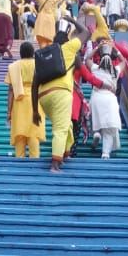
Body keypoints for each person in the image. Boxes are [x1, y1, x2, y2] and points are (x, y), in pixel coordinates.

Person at [32, 18, 90, 172]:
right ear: (67, 39)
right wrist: (71, 19)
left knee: (68, 126)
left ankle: (64, 153)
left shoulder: (44, 55)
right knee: (61, 128)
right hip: (61, 93)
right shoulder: (69, 48)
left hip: (44, 97)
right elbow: (86, 32)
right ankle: (55, 164)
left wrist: (35, 111)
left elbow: (34, 84)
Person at [7, 41, 44, 158]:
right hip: (36, 100)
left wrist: (9, 111)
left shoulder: (14, 66)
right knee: (34, 133)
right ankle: (35, 161)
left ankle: (19, 161)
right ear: (33, 52)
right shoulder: (39, 64)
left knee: (20, 134)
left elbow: (11, 90)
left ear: (20, 52)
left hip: (19, 100)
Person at [88, 44, 123, 158]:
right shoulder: (115, 71)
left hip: (97, 97)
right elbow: (124, 62)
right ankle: (105, 153)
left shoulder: (95, 69)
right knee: (108, 128)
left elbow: (87, 59)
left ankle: (97, 133)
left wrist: (97, 49)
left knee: (95, 120)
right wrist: (116, 50)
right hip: (110, 99)